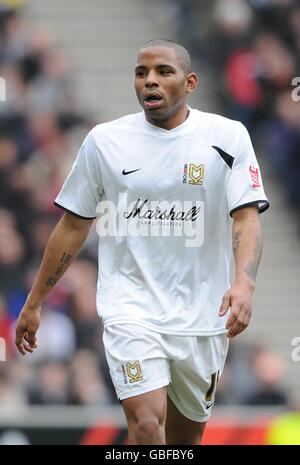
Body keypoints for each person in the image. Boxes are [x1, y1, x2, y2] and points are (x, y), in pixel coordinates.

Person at [15, 39, 269, 445]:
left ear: (189, 83)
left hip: (202, 317)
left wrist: (244, 283)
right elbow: (73, 225)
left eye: (163, 72)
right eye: (141, 72)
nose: (150, 80)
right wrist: (34, 302)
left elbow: (246, 216)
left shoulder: (227, 137)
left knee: (185, 443)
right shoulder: (104, 142)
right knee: (148, 427)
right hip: (130, 310)